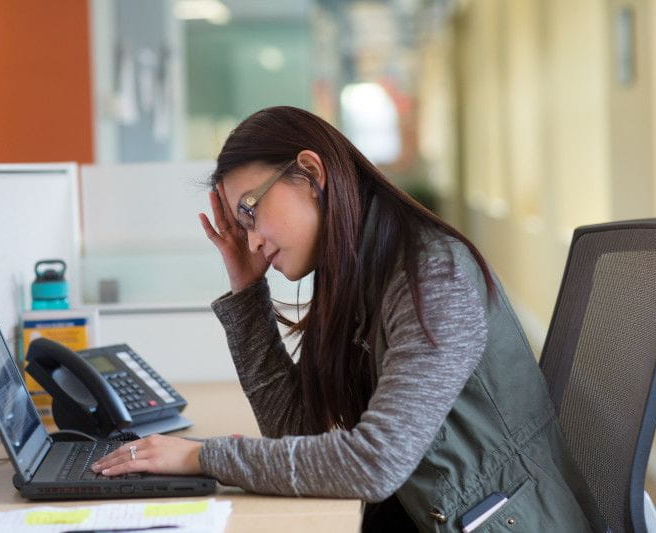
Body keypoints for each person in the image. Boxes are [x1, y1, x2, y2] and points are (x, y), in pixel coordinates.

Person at [92, 106, 604, 532]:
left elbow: (374, 463)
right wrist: (248, 291)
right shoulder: (361, 273)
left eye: (251, 209)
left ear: (311, 174)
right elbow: (294, 429)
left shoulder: (433, 277)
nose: (250, 239)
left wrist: (201, 458)